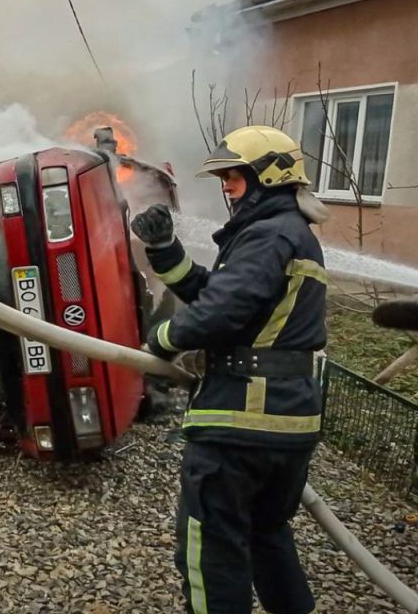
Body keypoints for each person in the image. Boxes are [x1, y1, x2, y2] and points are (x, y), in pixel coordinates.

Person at [130, 126, 329, 614]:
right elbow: (220, 295)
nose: (226, 187)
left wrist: (159, 339)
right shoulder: (289, 235)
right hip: (287, 424)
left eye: (234, 177)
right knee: (267, 537)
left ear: (267, 177)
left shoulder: (267, 234)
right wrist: (164, 251)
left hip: (241, 424)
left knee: (211, 553)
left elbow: (219, 313)